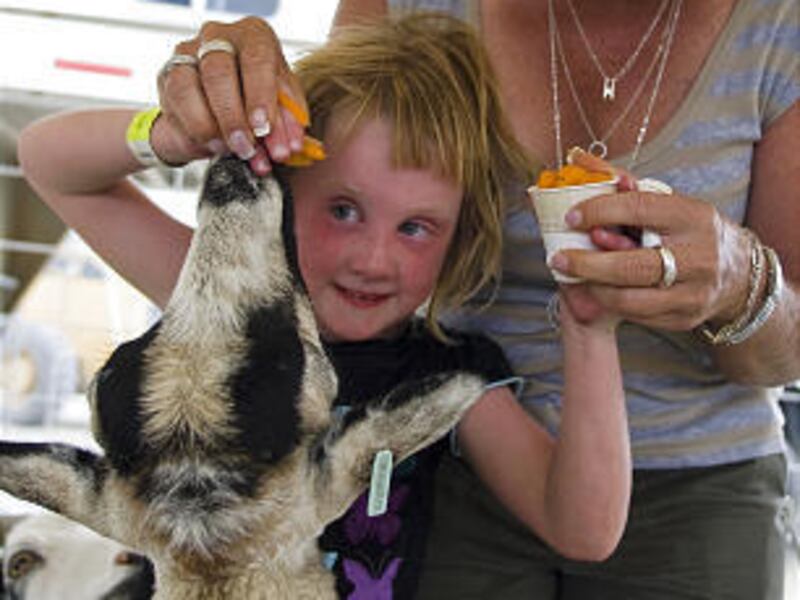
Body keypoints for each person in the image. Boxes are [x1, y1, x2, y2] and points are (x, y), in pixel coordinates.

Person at [151, 1, 800, 598]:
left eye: (412, 228)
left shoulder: (778, 28)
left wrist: (746, 284)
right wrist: (212, 102)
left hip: (700, 492)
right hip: (444, 469)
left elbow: (785, 355)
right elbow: (321, 198)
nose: (375, 255)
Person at [18, 14, 632, 600]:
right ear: (284, 192)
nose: (373, 258)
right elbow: (49, 161)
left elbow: (583, 528)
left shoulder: (446, 374)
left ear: (459, 240)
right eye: (343, 210)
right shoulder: (220, 307)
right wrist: (169, 136)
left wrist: (590, 328)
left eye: (415, 227)